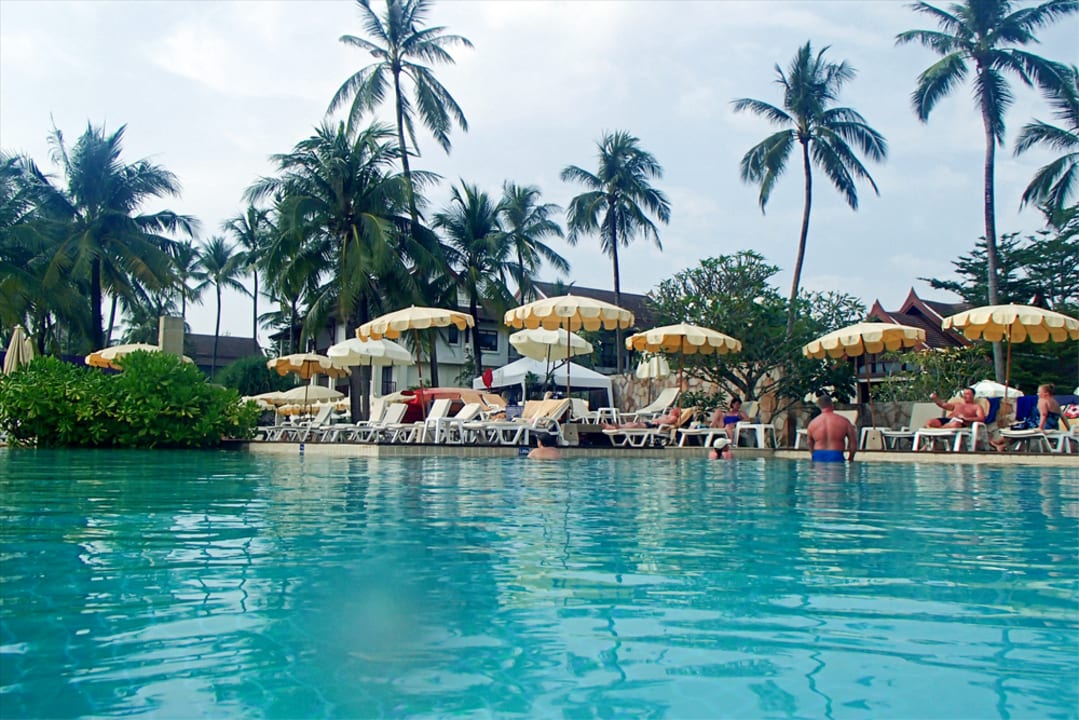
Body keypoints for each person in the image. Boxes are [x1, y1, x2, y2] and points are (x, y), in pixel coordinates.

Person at [991, 383, 1062, 451]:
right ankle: (1002, 445)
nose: (1037, 394)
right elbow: (1062, 416)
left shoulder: (1043, 401)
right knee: (1021, 429)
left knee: (1018, 428)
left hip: (1041, 425)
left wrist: (1040, 427)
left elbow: (1044, 415)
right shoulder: (1055, 402)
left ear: (1046, 393)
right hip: (1053, 426)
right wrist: (1067, 428)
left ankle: (999, 442)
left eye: (1039, 392)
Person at [806, 393, 856, 463]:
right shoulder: (844, 421)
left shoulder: (813, 423)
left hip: (818, 454)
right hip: (836, 454)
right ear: (832, 405)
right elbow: (853, 441)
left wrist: (813, 454)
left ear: (819, 406)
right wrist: (851, 458)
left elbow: (809, 442)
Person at [603, 406, 681, 430]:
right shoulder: (668, 415)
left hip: (653, 425)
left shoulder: (673, 417)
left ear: (676, 412)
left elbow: (669, 423)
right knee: (632, 423)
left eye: (674, 408)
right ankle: (613, 427)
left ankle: (618, 427)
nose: (672, 409)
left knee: (635, 425)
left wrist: (657, 422)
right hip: (651, 423)